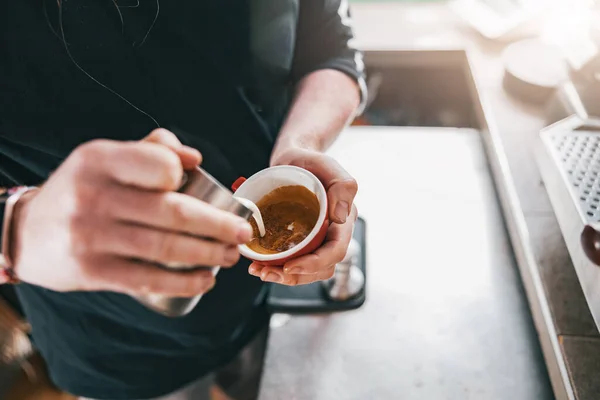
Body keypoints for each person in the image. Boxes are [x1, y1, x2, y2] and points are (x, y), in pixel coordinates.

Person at [0, 1, 366, 399]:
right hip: (120, 348)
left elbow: (330, 47)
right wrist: (17, 230)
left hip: (271, 302)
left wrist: (299, 145)